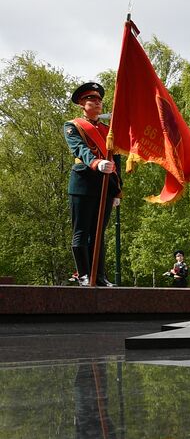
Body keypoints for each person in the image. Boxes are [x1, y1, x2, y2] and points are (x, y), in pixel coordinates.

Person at [63, 82, 121, 287]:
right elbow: (79, 149)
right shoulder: (73, 126)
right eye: (92, 99)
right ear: (82, 103)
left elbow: (116, 161)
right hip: (82, 183)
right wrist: (97, 162)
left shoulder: (108, 130)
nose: (97, 103)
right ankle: (84, 274)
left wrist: (117, 192)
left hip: (105, 185)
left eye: (99, 100)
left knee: (98, 233)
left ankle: (100, 276)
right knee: (81, 231)